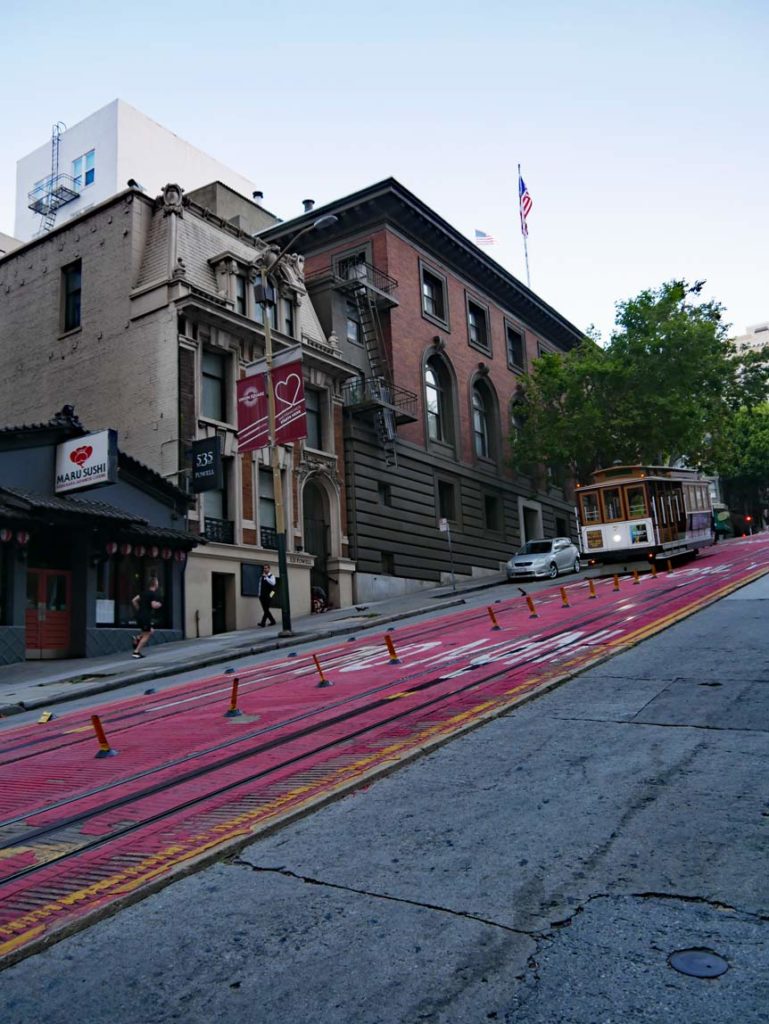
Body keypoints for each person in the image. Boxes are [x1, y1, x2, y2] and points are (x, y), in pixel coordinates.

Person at [131, 577, 162, 658]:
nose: (158, 584)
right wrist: (159, 604)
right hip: (146, 617)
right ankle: (136, 652)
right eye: (157, 582)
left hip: (139, 616)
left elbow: (134, 600)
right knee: (147, 635)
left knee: (150, 630)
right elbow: (153, 605)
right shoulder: (153, 594)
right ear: (155, 584)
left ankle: (137, 638)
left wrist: (139, 609)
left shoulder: (143, 593)